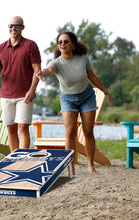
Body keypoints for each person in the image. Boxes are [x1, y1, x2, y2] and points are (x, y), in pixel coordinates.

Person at [36, 31, 113, 174]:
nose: (62, 44)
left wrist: (105, 92)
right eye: (60, 42)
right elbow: (49, 70)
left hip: (87, 97)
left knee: (88, 131)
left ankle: (91, 166)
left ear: (73, 44)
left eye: (66, 41)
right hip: (68, 99)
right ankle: (70, 166)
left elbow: (92, 76)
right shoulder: (56, 63)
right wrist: (42, 73)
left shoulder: (83, 58)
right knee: (70, 131)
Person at [0, 16, 41, 152]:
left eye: (16, 25)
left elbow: (37, 70)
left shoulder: (30, 45)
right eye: (11, 25)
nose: (13, 28)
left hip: (24, 95)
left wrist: (32, 90)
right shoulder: (0, 48)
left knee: (23, 126)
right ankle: (14, 160)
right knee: (11, 128)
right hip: (6, 95)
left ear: (23, 27)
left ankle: (23, 159)